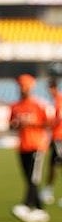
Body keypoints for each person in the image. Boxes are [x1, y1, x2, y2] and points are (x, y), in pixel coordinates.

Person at [9, 73, 50, 222]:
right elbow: (10, 125)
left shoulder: (39, 105)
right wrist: (16, 124)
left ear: (30, 88)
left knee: (33, 178)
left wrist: (32, 123)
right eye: (20, 86)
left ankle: (26, 205)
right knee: (29, 178)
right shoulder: (15, 106)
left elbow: (49, 123)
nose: (22, 89)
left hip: (37, 146)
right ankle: (40, 209)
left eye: (25, 87)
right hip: (23, 146)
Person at [43, 77, 61, 205]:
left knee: (56, 164)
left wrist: (47, 124)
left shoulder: (59, 101)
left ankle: (48, 191)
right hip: (55, 138)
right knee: (52, 165)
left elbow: (58, 119)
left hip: (60, 137)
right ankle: (48, 190)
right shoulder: (54, 101)